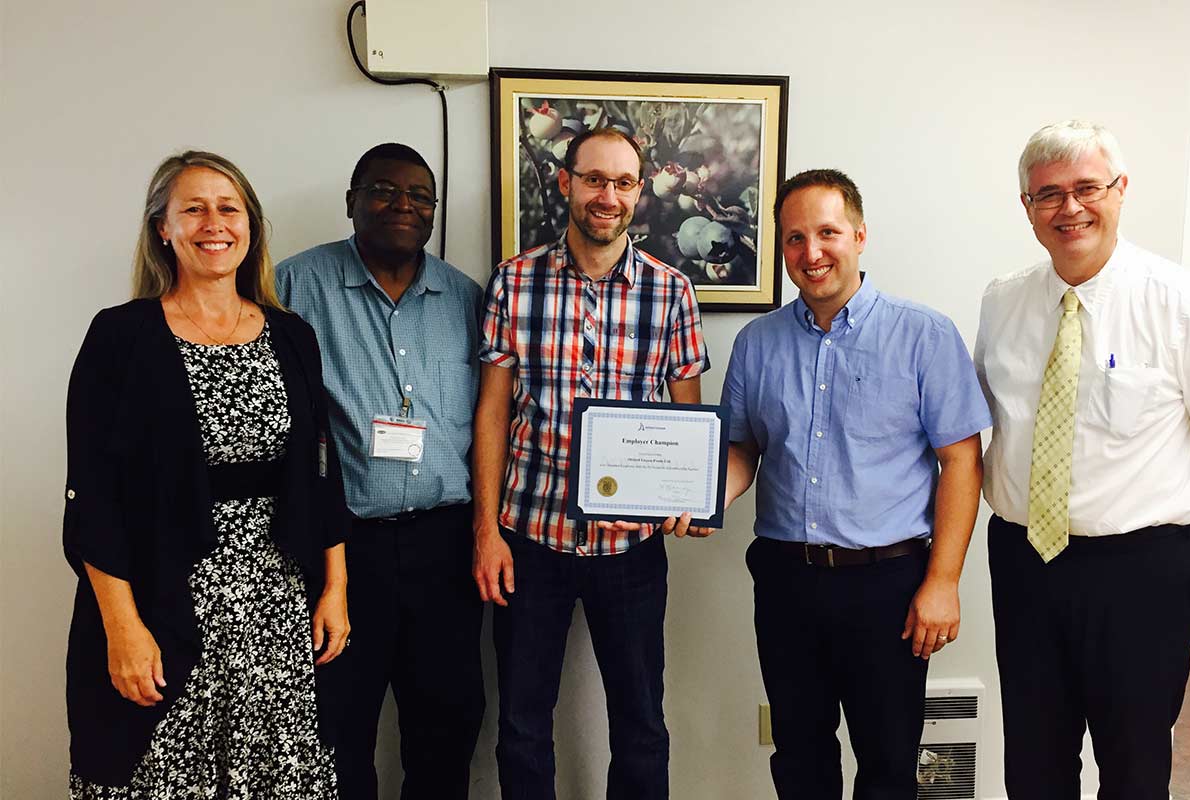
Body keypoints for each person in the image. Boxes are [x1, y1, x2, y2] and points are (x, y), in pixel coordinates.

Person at [975, 120, 1190, 799]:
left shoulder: (1188, 304)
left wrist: (1151, 512)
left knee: (1134, 768)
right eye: (1048, 195)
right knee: (1034, 765)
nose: (1069, 208)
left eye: (1086, 188)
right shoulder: (1002, 300)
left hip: (1142, 575)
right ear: (1027, 207)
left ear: (1120, 191)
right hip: (1024, 564)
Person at [64, 151, 350, 798]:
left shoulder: (290, 334)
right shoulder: (121, 337)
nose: (213, 223)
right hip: (163, 601)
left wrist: (335, 587)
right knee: (164, 775)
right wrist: (122, 628)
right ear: (162, 228)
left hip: (277, 606)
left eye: (229, 208)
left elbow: (321, 472)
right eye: (193, 208)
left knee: (277, 776)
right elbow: (94, 499)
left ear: (250, 226)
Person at [719, 169, 991, 799]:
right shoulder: (757, 343)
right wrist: (696, 498)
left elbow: (962, 462)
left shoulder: (924, 335)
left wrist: (943, 582)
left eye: (827, 232)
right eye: (794, 238)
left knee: (890, 760)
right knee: (799, 754)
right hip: (787, 582)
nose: (811, 253)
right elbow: (742, 450)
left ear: (860, 236)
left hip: (889, 588)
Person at [472, 127, 711, 800]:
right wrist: (486, 532)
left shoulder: (671, 291)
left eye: (623, 183)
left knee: (640, 724)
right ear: (566, 184)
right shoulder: (515, 283)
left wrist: (688, 493)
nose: (608, 196)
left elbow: (685, 422)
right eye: (595, 180)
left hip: (631, 550)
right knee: (521, 724)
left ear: (640, 192)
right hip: (529, 540)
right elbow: (492, 414)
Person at [276, 142, 485, 799]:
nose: (404, 205)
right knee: (337, 727)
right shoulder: (291, 287)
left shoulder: (466, 299)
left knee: (447, 727)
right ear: (352, 202)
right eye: (384, 191)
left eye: (420, 196)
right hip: (343, 552)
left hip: (446, 550)